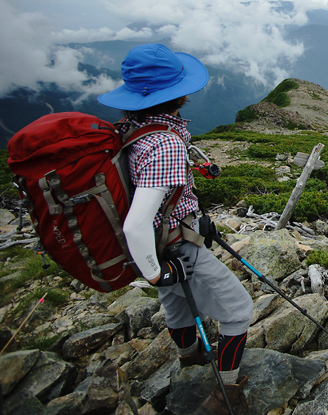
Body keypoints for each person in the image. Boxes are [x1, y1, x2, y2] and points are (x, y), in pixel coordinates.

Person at [98, 43, 253, 414]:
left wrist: (193, 223)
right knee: (238, 311)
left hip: (162, 242)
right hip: (174, 247)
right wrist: (158, 273)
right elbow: (138, 223)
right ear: (177, 93)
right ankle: (224, 395)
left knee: (178, 306)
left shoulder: (132, 128)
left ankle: (189, 362)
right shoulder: (165, 142)